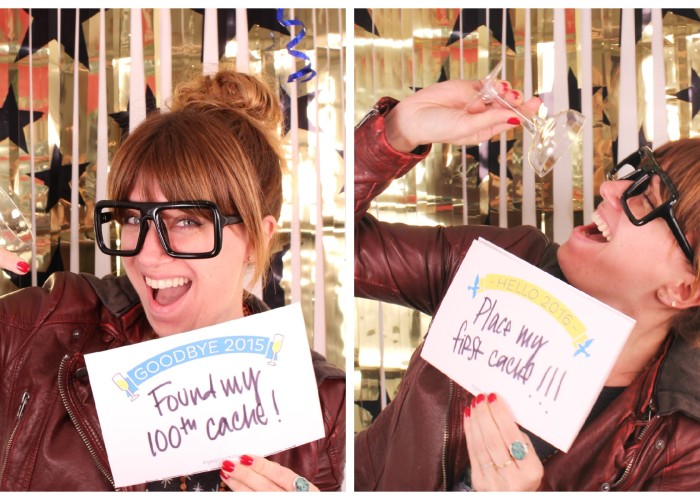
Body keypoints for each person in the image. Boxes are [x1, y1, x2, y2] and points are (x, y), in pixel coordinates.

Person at [0, 69, 345, 492]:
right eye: (132, 218)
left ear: (256, 238)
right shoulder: (35, 331)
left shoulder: (323, 406)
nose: (146, 255)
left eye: (185, 221)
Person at [354, 77, 700, 491]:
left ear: (684, 290)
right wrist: (397, 132)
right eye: (632, 177)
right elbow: (341, 248)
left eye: (646, 201)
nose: (608, 188)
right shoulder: (508, 257)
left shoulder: (684, 444)